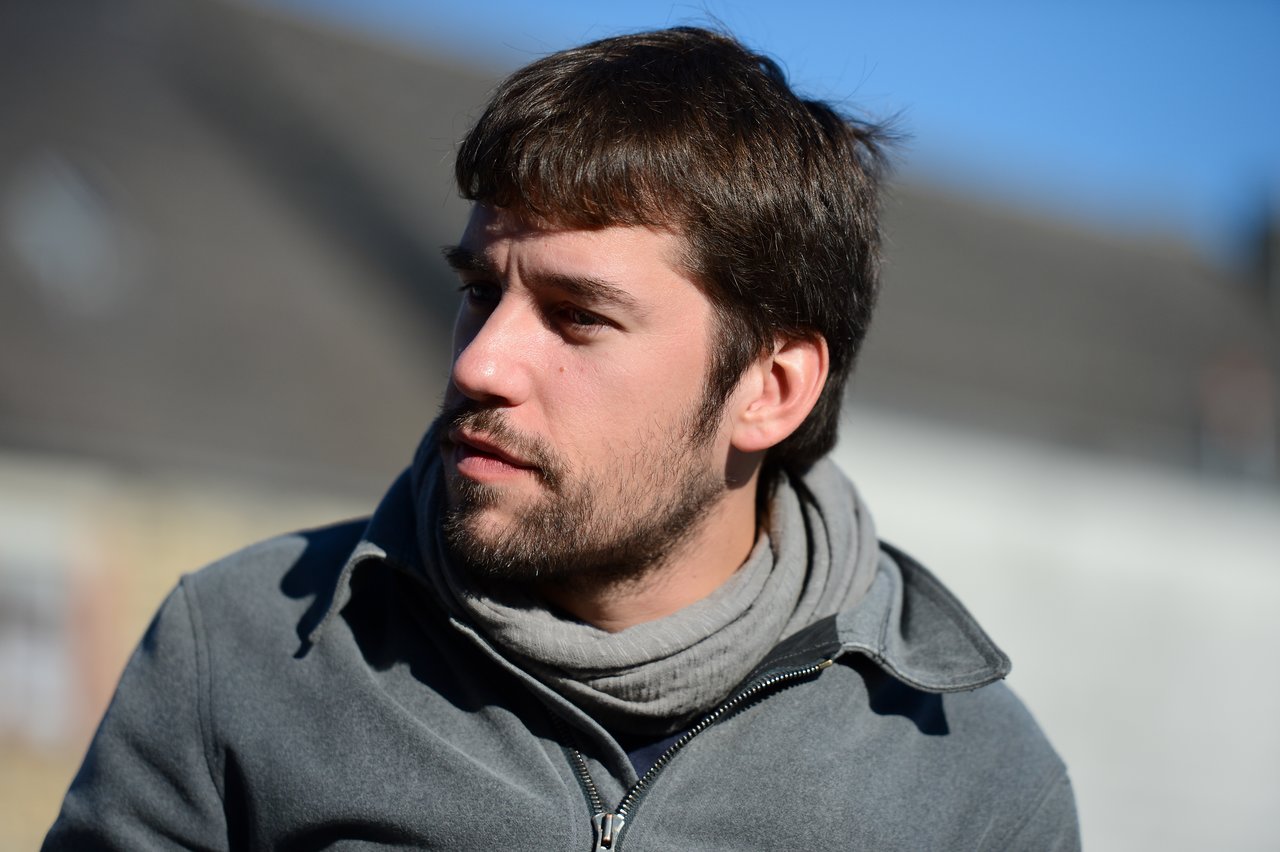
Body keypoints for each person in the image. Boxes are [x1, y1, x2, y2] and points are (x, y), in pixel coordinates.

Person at [45, 26, 1078, 851]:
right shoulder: (241, 650)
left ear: (770, 390)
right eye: (478, 291)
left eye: (577, 317)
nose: (481, 365)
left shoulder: (969, 782)